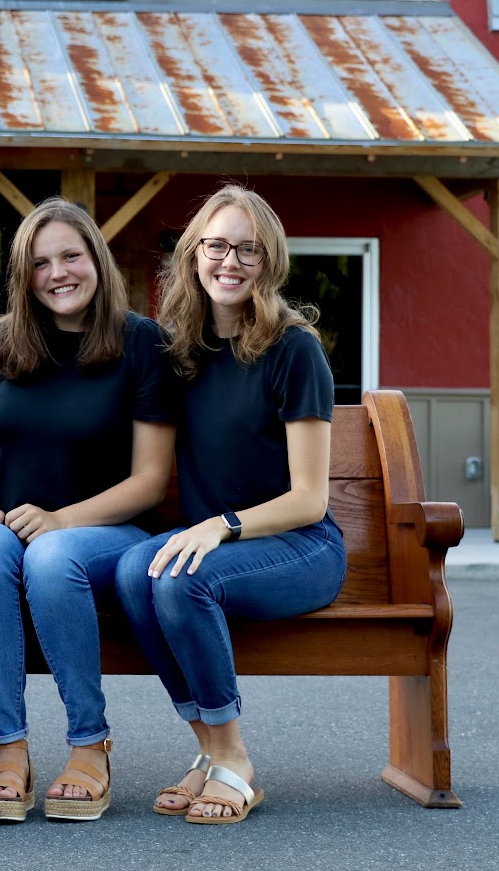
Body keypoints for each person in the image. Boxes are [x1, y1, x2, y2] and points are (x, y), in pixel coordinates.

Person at [116, 184, 345, 825]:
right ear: (193, 255)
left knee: (180, 579)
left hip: (300, 546)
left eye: (249, 250)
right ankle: (207, 753)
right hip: (218, 542)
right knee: (136, 571)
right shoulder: (180, 351)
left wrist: (222, 526)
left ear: (268, 263)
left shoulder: (293, 350)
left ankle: (234, 758)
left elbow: (309, 498)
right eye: (217, 245)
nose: (231, 262)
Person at [0, 198, 175, 824]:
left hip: (109, 535)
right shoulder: (2, 345)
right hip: (13, 529)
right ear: (25, 276)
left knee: (50, 556)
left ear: (97, 261)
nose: (58, 273)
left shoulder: (141, 343)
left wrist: (61, 520)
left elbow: (151, 480)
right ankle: (10, 751)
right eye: (41, 262)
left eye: (71, 256)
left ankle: (88, 747)